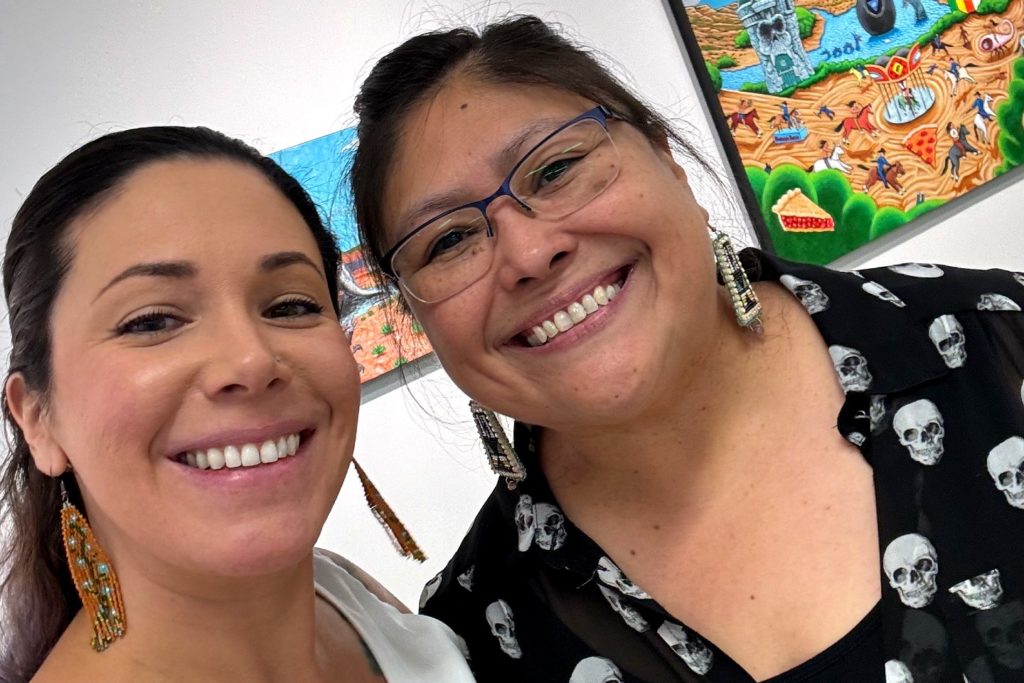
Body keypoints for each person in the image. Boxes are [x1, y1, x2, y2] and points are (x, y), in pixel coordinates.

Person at [350, 15, 1024, 683]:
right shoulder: (476, 644)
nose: (528, 253)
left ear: (668, 161)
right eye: (447, 241)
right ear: (418, 315)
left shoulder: (999, 346)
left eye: (555, 169)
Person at [0, 126, 474, 683]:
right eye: (152, 320)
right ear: (38, 419)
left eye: (292, 306)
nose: (252, 362)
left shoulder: (349, 594)